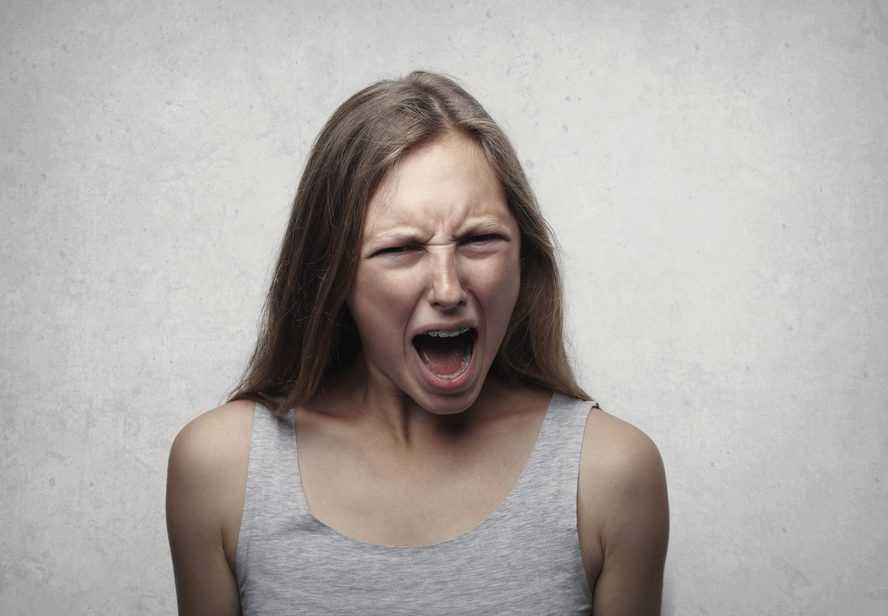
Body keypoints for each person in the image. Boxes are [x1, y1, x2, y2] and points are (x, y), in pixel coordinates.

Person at [166, 70, 669, 615]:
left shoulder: (611, 475)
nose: (449, 288)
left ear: (524, 258)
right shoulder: (221, 471)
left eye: (479, 239)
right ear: (332, 277)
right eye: (402, 249)